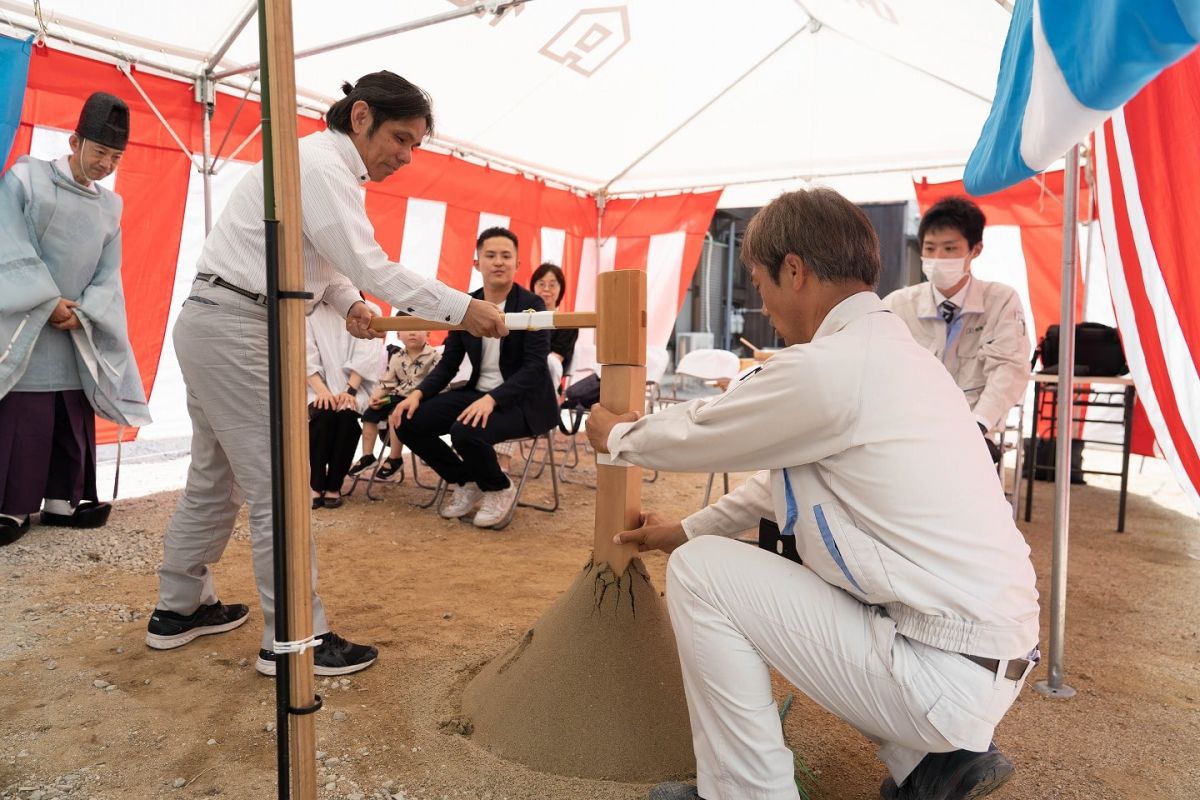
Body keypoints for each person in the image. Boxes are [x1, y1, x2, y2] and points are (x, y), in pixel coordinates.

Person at [585, 188, 1040, 800]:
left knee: (701, 574)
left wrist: (619, 435)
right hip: (980, 653)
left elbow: (704, 429)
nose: (763, 305)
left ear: (793, 270)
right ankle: (929, 764)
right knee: (799, 561)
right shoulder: (897, 355)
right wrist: (683, 529)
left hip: (944, 669)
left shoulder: (834, 366)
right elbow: (782, 486)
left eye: (759, 283)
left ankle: (748, 793)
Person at [145, 72, 507, 677]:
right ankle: (295, 640)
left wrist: (354, 306)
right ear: (360, 117)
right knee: (280, 487)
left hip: (221, 323)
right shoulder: (321, 165)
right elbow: (369, 262)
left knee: (215, 479)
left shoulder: (321, 167)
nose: (405, 156)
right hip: (238, 328)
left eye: (415, 144)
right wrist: (463, 308)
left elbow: (333, 267)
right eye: (401, 138)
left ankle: (178, 608)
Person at [0, 92, 150, 546]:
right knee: (25, 414)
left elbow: (110, 273)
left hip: (75, 323)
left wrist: (87, 311)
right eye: (100, 151)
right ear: (74, 141)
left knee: (70, 410)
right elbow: (9, 239)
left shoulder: (111, 207)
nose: (107, 163)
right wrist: (46, 300)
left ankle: (65, 499)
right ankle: (13, 506)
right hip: (25, 317)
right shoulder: (26, 178)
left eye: (116, 156)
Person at [393, 227, 558, 528]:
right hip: (478, 393)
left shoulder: (533, 304)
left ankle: (499, 488)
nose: (498, 262)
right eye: (490, 255)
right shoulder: (465, 306)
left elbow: (534, 368)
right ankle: (465, 480)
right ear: (477, 262)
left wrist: (492, 400)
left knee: (465, 431)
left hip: (522, 401)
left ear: (517, 264)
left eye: (506, 256)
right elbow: (448, 363)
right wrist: (417, 394)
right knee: (406, 420)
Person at [884, 196, 1031, 461]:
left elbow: (1009, 368)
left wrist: (978, 426)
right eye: (929, 248)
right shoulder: (898, 304)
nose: (938, 258)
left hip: (973, 431)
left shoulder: (1000, 301)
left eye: (950, 249)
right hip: (909, 433)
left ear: (975, 250)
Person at [305, 300, 385, 508]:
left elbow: (367, 353)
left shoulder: (371, 311)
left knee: (347, 419)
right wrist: (322, 391)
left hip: (355, 388)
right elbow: (304, 354)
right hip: (314, 387)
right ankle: (315, 484)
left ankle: (334, 485)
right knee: (322, 416)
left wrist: (349, 390)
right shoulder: (306, 309)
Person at [347, 326, 440, 480]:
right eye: (407, 329)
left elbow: (437, 382)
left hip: (422, 397)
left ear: (428, 333)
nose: (412, 331)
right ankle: (367, 456)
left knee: (395, 415)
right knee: (370, 413)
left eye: (418, 328)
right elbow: (387, 382)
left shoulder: (434, 356)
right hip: (397, 395)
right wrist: (376, 396)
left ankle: (395, 458)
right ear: (398, 335)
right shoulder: (397, 357)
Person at [530, 261, 577, 388]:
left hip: (547, 384)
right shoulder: (523, 319)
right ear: (533, 287)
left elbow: (554, 362)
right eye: (541, 284)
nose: (546, 289)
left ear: (560, 289)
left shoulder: (567, 323)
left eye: (552, 285)